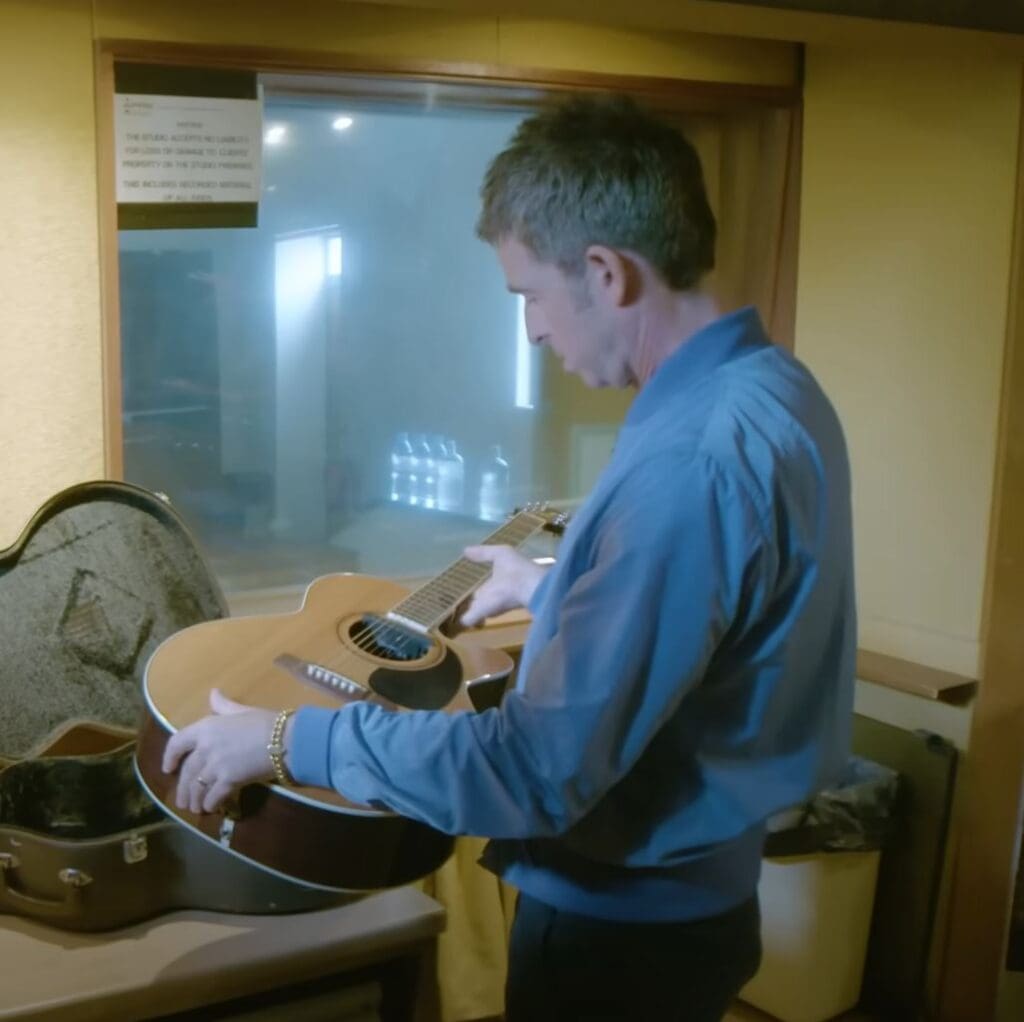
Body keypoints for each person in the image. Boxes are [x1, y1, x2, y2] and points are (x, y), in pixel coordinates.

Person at [163, 94, 856, 1021]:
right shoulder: (776, 390)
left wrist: (286, 739)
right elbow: (726, 611)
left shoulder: (687, 462)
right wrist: (559, 580)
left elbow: (535, 769)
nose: (531, 329)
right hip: (704, 907)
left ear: (606, 272)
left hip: (619, 944)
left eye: (530, 294)